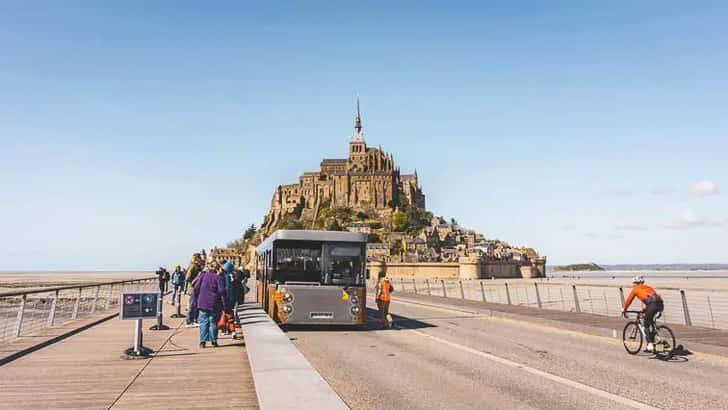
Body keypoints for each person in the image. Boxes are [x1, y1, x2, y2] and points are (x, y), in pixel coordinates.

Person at [622, 275, 664, 352]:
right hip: (660, 304)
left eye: (633, 283)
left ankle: (650, 344)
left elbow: (629, 300)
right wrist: (645, 309)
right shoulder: (649, 287)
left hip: (652, 305)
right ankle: (655, 339)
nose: (633, 285)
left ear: (636, 283)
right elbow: (652, 299)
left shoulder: (635, 289)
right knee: (650, 320)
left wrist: (624, 309)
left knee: (646, 325)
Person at [193, 260, 227, 348]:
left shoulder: (203, 276)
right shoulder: (218, 277)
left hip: (202, 302)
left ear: (209, 267)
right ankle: (213, 341)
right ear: (217, 268)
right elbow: (222, 291)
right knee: (213, 322)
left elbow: (196, 288)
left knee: (203, 322)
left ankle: (202, 342)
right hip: (214, 303)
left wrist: (197, 298)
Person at [185, 254, 204, 327]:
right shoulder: (193, 266)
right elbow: (187, 278)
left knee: (195, 305)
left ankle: (194, 319)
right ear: (197, 258)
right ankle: (189, 321)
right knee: (192, 305)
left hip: (196, 288)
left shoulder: (197, 266)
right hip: (192, 288)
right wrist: (196, 278)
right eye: (199, 258)